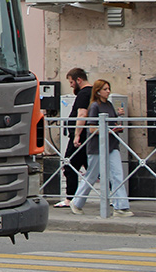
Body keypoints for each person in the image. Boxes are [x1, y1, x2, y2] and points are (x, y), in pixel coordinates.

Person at [70, 79, 133, 217]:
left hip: (111, 145)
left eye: (109, 88)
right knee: (91, 175)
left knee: (117, 174)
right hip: (97, 147)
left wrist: (119, 118)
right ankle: (76, 203)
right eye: (105, 89)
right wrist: (110, 131)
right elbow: (92, 129)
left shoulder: (109, 105)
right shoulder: (94, 106)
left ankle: (120, 207)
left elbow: (113, 122)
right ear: (98, 91)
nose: (108, 91)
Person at [54, 67, 91, 208]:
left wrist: (76, 135)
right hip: (87, 137)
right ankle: (112, 196)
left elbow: (82, 114)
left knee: (69, 166)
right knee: (92, 168)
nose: (70, 85)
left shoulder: (83, 94)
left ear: (78, 80)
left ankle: (71, 198)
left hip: (80, 138)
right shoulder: (94, 91)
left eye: (71, 82)